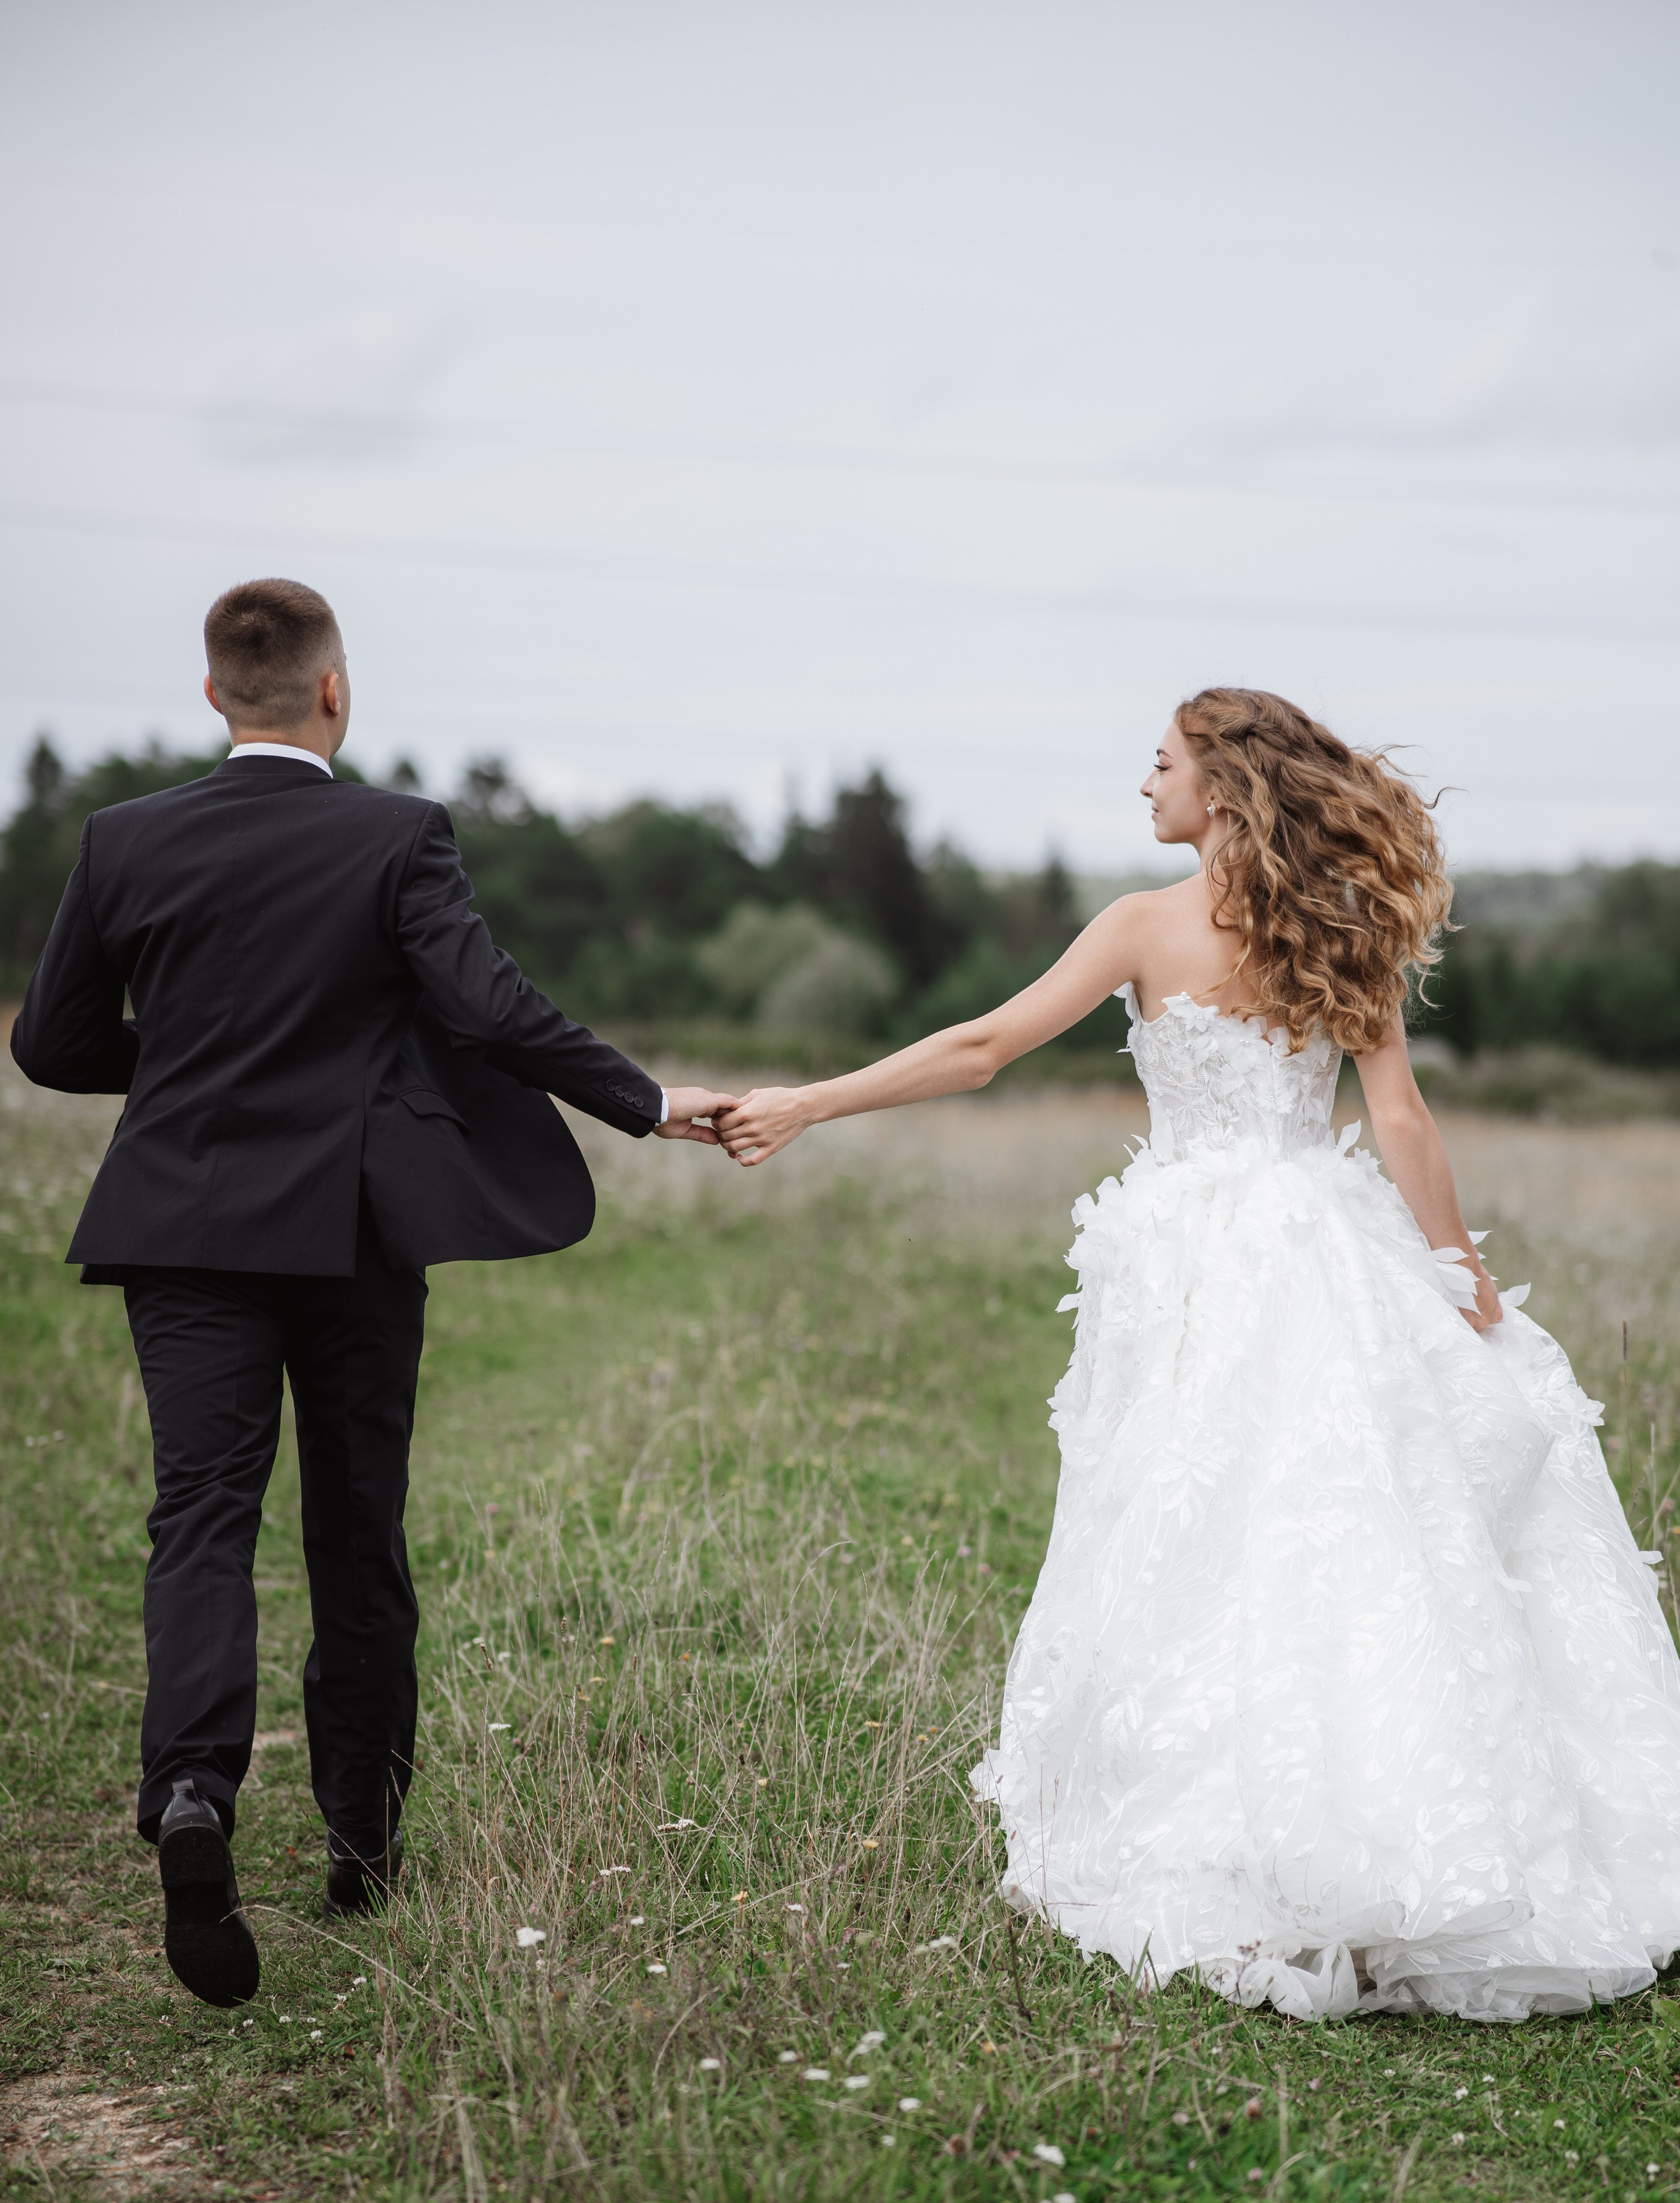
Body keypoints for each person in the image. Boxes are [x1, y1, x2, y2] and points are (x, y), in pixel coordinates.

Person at [718, 687, 1680, 2021]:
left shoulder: (1138, 925)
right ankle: (1368, 1814)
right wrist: (1453, 1268)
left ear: (1220, 788)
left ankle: (1251, 1825)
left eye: (1159, 763)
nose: (1142, 784)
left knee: (1201, 1521)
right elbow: (1394, 1117)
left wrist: (807, 1103)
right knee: (1333, 1520)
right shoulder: (1335, 922)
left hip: (1194, 1257)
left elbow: (989, 1046)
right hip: (1316, 1242)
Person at [10, 578, 734, 2009]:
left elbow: (51, 1041)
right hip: (349, 1233)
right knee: (355, 1526)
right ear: (334, 692)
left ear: (215, 692)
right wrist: (646, 1104)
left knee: (201, 1514)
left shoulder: (121, 839)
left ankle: (194, 1792)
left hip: (181, 1226)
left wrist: (188, 1077)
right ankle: (360, 1839)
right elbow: (488, 1008)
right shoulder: (397, 835)